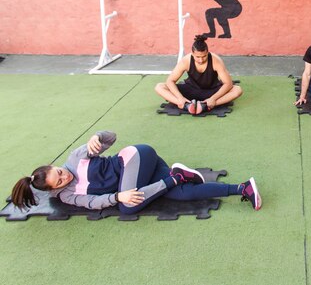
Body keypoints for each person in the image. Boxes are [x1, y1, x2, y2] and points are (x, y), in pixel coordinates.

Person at [10, 131, 262, 213]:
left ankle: (176, 176)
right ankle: (242, 188)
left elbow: (111, 138)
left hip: (137, 156)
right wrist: (116, 197)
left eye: (59, 171)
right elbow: (94, 202)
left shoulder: (75, 157)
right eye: (60, 180)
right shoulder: (67, 195)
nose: (65, 175)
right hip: (142, 178)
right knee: (181, 195)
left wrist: (98, 137)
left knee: (128, 206)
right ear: (55, 188)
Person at [155, 34, 242, 114]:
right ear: (192, 54)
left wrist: (213, 99)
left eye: (204, 56)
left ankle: (206, 105)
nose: (201, 60)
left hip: (211, 91)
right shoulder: (186, 61)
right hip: (191, 89)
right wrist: (180, 98)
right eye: (198, 57)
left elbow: (228, 83)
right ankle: (185, 105)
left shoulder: (216, 61)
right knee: (159, 87)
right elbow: (170, 80)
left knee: (237, 90)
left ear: (207, 52)